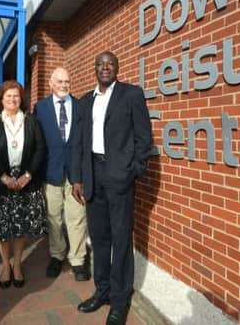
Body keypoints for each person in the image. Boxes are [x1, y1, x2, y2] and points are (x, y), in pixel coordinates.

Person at [71, 51, 153, 325]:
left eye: (110, 64)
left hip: (119, 177)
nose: (105, 68)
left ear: (117, 68)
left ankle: (119, 301)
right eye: (100, 64)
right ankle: (102, 291)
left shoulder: (131, 95)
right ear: (95, 69)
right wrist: (77, 179)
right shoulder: (85, 101)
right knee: (99, 239)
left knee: (121, 241)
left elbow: (144, 139)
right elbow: (77, 143)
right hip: (92, 175)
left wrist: (133, 172)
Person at [0, 80, 47, 288]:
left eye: (17, 96)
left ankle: (17, 264)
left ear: (22, 99)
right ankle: (5, 265)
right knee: (4, 229)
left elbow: (40, 149)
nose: (13, 99)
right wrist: (4, 177)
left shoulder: (31, 121)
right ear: (1, 99)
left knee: (21, 227)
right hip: (1, 181)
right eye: (8, 96)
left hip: (26, 181)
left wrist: (27, 176)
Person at [34, 67, 89, 281]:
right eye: (60, 81)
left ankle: (78, 260)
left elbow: (84, 141)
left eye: (67, 81)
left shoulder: (80, 106)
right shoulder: (40, 108)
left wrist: (81, 175)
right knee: (53, 217)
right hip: (51, 172)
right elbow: (38, 142)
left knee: (77, 217)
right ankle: (57, 255)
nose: (64, 85)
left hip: (76, 174)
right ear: (51, 83)